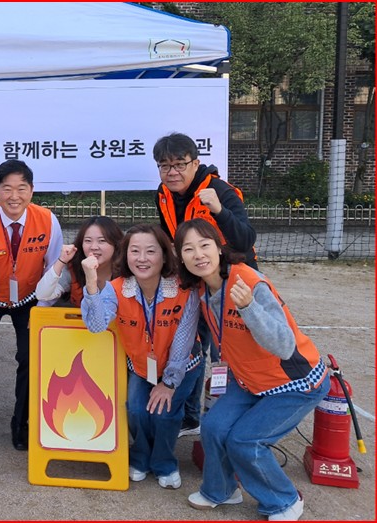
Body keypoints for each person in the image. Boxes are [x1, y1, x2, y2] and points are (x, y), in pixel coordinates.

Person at [175, 218, 329, 521]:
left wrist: (249, 308)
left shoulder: (249, 281)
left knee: (245, 441)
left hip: (293, 383)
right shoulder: (201, 289)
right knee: (214, 427)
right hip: (248, 381)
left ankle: (284, 500)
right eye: (188, 249)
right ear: (180, 256)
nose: (198, 255)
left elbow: (284, 345)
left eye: (204, 245)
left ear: (220, 248)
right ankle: (221, 491)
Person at [153, 132, 258, 438]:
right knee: (193, 346)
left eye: (179, 164)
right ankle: (191, 417)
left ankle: (237, 416)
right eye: (165, 166)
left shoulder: (220, 191)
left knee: (230, 349)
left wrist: (220, 212)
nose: (172, 172)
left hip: (233, 282)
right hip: (193, 282)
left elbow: (245, 239)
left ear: (195, 163)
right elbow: (169, 236)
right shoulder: (162, 193)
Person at [81, 223, 201, 489]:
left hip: (181, 366)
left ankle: (164, 463)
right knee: (136, 410)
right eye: (135, 251)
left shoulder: (184, 289)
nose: (142, 258)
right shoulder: (116, 288)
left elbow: (183, 342)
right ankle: (141, 457)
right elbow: (97, 325)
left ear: (164, 254)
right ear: (126, 255)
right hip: (140, 366)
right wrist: (91, 282)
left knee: (165, 413)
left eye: (150, 251)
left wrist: (169, 383)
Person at [0, 159, 63, 451]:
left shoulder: (47, 219)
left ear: (31, 190)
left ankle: (22, 423)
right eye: (7, 189)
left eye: (21, 188)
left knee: (30, 358)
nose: (14, 196)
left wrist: (42, 308)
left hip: (31, 298)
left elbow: (55, 267)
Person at [35, 216, 123, 306]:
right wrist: (61, 260)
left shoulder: (126, 271)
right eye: (88, 241)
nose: (94, 247)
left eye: (102, 241)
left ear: (115, 243)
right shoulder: (73, 268)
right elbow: (42, 295)